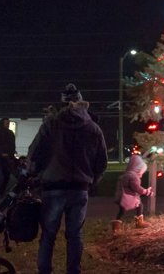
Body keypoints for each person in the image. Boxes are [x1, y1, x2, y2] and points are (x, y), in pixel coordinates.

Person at [28, 84, 107, 274]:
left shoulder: (51, 125)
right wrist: (92, 180)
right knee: (75, 235)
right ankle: (74, 270)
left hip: (52, 187)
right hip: (79, 188)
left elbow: (34, 154)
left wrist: (36, 175)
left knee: (48, 235)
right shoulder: (93, 128)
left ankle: (45, 270)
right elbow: (101, 162)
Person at [112, 154, 153, 234]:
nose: (141, 175)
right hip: (128, 198)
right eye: (141, 172)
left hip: (120, 197)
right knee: (140, 206)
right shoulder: (133, 176)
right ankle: (139, 223)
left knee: (121, 211)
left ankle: (115, 228)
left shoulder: (125, 175)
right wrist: (146, 192)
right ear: (137, 169)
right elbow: (136, 188)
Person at [0, 117, 16, 197]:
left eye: (8, 123)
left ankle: (3, 190)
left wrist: (10, 153)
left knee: (7, 175)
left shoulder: (10, 133)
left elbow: (12, 144)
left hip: (9, 156)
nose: (7, 125)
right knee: (0, 174)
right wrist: (1, 153)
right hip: (0, 157)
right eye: (6, 123)